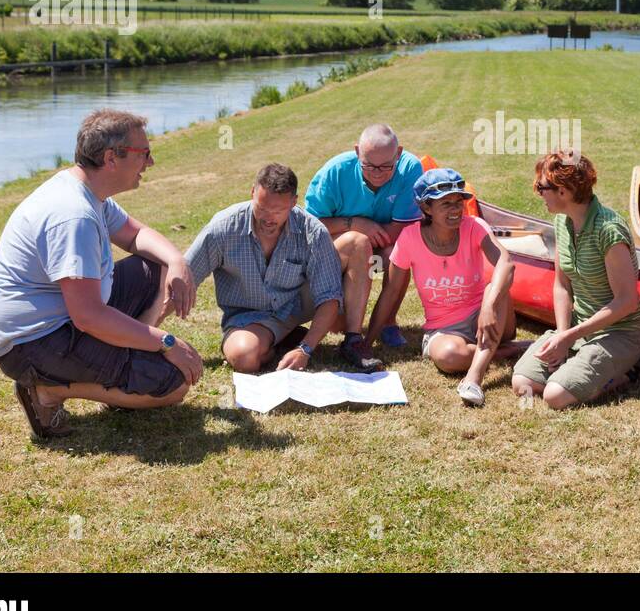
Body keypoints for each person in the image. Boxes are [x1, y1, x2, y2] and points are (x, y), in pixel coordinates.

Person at [0, 109, 202, 440]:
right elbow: (87, 316)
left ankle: (127, 361)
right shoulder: (74, 216)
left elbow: (134, 235)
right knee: (172, 384)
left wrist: (176, 261)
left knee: (158, 268)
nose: (150, 162)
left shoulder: (90, 193)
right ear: (110, 158)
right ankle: (48, 391)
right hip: (35, 342)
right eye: (143, 154)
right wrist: (165, 342)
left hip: (69, 319)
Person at [363, 168, 521, 406]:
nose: (456, 209)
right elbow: (391, 292)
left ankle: (474, 379)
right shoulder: (409, 239)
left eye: (459, 201)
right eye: (446, 203)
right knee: (448, 357)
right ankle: (510, 350)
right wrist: (366, 344)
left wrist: (488, 306)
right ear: (426, 208)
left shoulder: (474, 226)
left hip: (489, 318)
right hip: (445, 329)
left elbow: (505, 263)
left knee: (493, 290)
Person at [511, 151, 640, 409]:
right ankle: (577, 366)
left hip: (619, 333)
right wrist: (563, 335)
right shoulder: (562, 222)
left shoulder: (609, 230)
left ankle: (624, 376)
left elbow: (627, 301)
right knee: (522, 383)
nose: (538, 193)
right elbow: (562, 285)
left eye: (541, 187)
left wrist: (569, 337)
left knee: (555, 396)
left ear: (563, 191)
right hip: (577, 328)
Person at [184, 164, 343, 373]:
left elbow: (329, 297)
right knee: (243, 358)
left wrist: (305, 349)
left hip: (297, 306)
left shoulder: (313, 231)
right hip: (250, 317)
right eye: (262, 208)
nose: (269, 218)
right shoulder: (223, 228)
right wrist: (148, 334)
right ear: (252, 193)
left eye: (278, 211)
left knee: (353, 246)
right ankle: (276, 341)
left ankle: (351, 341)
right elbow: (184, 278)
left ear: (294, 202)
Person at [304, 124, 423, 370]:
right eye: (369, 165)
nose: (377, 173)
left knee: (396, 255)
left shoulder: (411, 168)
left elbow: (403, 229)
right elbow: (311, 228)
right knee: (358, 243)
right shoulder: (334, 172)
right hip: (337, 249)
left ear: (398, 153)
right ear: (357, 151)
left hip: (383, 242)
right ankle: (350, 327)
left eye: (386, 166)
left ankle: (386, 322)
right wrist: (355, 224)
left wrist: (368, 239)